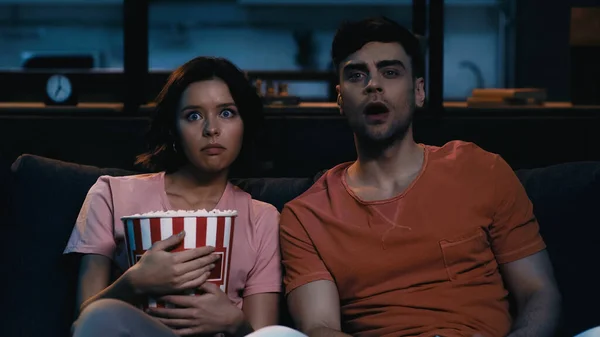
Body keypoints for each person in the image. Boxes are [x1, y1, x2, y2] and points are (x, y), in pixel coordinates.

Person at [279, 17, 563, 337]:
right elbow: (319, 327)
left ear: (419, 91)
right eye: (357, 75)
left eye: (390, 72)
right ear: (341, 99)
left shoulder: (481, 170)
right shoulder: (306, 215)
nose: (373, 84)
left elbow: (539, 292)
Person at [64, 56, 294, 337]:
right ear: (174, 128)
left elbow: (263, 333)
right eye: (193, 116)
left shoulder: (263, 218)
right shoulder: (112, 194)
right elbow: (85, 323)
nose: (211, 129)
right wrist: (134, 282)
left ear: (245, 124)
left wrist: (233, 322)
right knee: (99, 315)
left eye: (226, 112)